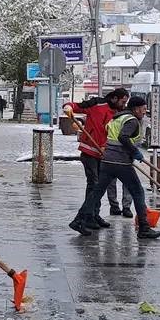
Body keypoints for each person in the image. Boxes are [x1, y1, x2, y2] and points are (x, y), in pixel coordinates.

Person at [70, 96, 160, 240]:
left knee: (97, 192)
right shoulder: (131, 121)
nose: (145, 112)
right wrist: (134, 151)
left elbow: (108, 130)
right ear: (136, 109)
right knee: (138, 192)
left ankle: (79, 220)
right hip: (121, 163)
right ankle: (144, 227)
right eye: (143, 109)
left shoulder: (118, 117)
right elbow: (123, 137)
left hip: (107, 161)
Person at [65, 89, 129, 221]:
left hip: (104, 154)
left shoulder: (119, 114)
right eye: (123, 101)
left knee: (100, 186)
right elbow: (75, 106)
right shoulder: (96, 104)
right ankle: (89, 216)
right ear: (115, 98)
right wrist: (68, 108)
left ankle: (95, 214)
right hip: (89, 151)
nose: (124, 105)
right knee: (94, 184)